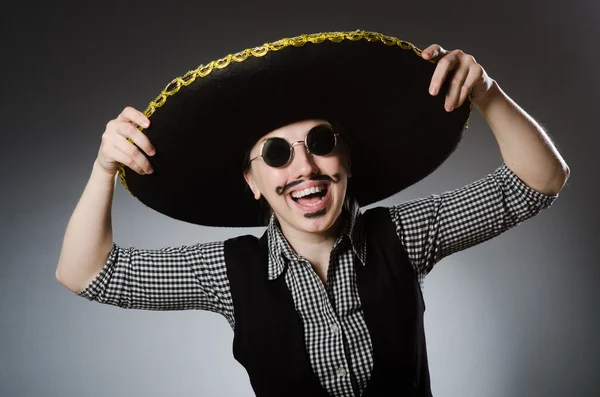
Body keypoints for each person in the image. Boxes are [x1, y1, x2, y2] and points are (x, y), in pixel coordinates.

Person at [56, 30, 569, 397]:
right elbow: (85, 273)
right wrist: (105, 168)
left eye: (321, 143)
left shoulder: (405, 235)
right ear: (252, 183)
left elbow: (538, 183)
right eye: (277, 154)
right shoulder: (228, 273)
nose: (304, 167)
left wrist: (487, 92)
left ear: (347, 159)